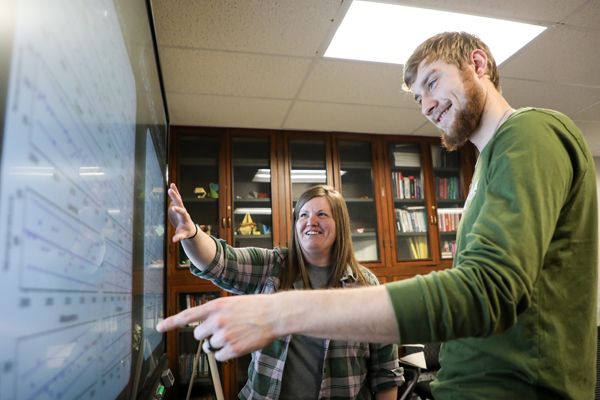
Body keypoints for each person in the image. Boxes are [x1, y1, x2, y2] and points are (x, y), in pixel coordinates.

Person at [158, 32, 598, 400]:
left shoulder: (528, 131)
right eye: (418, 98)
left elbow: (487, 290)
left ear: (478, 63)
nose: (425, 106)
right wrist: (195, 232)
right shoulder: (484, 167)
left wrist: (281, 312)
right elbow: (219, 260)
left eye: (432, 82)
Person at [166, 183, 403, 400]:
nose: (311, 221)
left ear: (340, 223)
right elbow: (220, 261)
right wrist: (193, 233)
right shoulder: (272, 266)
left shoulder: (367, 286)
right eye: (303, 215)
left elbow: (386, 373)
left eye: (322, 214)